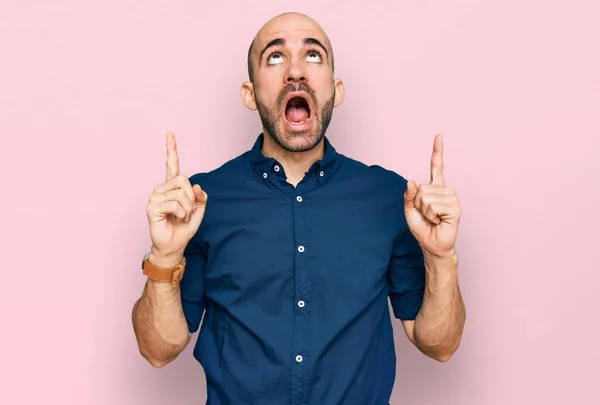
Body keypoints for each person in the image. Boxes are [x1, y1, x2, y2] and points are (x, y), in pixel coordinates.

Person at [132, 11, 466, 405]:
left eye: (313, 56)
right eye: (274, 57)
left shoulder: (391, 197)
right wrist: (165, 255)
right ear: (250, 92)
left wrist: (442, 256)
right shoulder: (202, 201)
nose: (295, 71)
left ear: (336, 90)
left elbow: (439, 345)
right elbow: (158, 350)